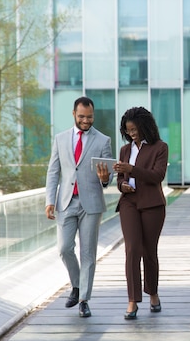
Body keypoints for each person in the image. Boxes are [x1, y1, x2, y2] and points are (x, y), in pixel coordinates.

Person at [45, 96, 113, 318]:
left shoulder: (103, 141)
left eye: (90, 116)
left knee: (88, 253)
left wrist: (105, 178)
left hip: (91, 204)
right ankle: (76, 285)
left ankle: (84, 299)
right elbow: (54, 172)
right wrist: (50, 201)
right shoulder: (60, 139)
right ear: (74, 114)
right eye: (82, 116)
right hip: (65, 202)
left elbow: (108, 176)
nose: (86, 120)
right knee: (64, 248)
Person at [113, 107, 168, 319]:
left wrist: (131, 170)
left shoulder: (160, 147)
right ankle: (132, 300)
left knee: (149, 250)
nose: (131, 134)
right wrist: (122, 185)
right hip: (129, 202)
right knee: (132, 249)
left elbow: (157, 176)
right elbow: (120, 178)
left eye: (134, 129)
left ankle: (153, 293)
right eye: (128, 130)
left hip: (152, 204)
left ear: (145, 126)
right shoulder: (125, 150)